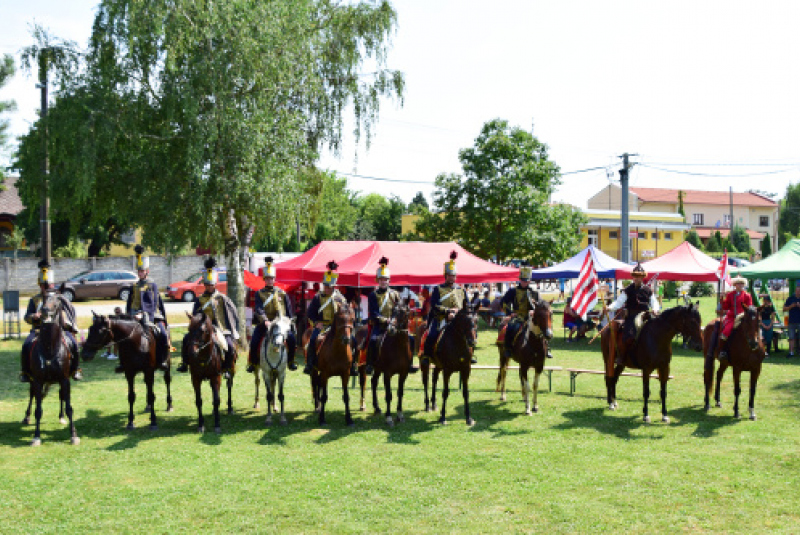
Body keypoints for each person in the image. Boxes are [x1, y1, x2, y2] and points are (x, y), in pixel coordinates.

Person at [177, 258, 241, 377]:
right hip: (203, 328)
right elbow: (195, 315)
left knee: (230, 346)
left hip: (219, 328)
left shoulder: (222, 298)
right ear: (204, 285)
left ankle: (227, 369)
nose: (209, 287)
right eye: (207, 284)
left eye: (211, 284)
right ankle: (185, 363)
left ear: (215, 284)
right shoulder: (200, 299)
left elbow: (231, 313)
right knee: (186, 339)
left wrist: (231, 329)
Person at [20, 261, 82, 382]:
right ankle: (25, 372)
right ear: (40, 285)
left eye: (48, 285)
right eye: (44, 285)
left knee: (74, 344)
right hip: (38, 331)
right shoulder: (34, 300)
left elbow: (68, 313)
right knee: (26, 345)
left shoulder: (59, 299)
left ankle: (76, 370)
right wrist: (34, 316)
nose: (46, 287)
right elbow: (27, 317)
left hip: (58, 331)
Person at [366, 257, 417, 375]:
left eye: (385, 279)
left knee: (411, 338)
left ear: (389, 281)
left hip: (395, 325)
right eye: (381, 279)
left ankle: (409, 363)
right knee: (373, 341)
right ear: (378, 281)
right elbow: (373, 313)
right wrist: (385, 320)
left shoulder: (395, 294)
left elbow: (400, 309)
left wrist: (397, 319)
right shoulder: (373, 295)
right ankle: (370, 364)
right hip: (380, 325)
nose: (383, 281)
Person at [423, 251, 476, 364]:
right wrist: (448, 311)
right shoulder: (438, 289)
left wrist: (464, 312)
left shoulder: (461, 290)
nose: (452, 278)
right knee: (431, 335)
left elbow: (467, 304)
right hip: (441, 318)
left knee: (471, 332)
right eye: (449, 276)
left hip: (459, 319)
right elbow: (435, 305)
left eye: (453, 276)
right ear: (445, 276)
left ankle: (471, 355)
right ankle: (427, 356)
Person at [123, 245, 170, 373]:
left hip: (151, 315)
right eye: (138, 271)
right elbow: (130, 303)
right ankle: (125, 362)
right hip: (134, 315)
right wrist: (129, 315)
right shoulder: (134, 286)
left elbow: (153, 303)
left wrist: (143, 314)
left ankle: (163, 359)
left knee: (163, 335)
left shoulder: (152, 285)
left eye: (142, 271)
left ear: (147, 271)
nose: (140, 273)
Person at [247, 256, 297, 373]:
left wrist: (289, 322)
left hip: (280, 324)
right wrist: (265, 320)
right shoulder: (259, 294)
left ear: (274, 279)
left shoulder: (282, 293)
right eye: (268, 278)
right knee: (254, 341)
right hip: (265, 323)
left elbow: (288, 309)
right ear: (265, 279)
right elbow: (259, 308)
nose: (270, 280)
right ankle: (253, 363)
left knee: (292, 339)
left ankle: (290, 362)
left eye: (272, 278)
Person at [603, 263, 660, 364]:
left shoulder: (647, 290)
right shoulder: (627, 290)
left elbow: (654, 302)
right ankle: (623, 356)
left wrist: (655, 309)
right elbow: (618, 302)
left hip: (646, 317)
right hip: (631, 317)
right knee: (629, 336)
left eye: (639, 276)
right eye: (635, 276)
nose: (637, 278)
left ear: (643, 277)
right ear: (633, 277)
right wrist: (609, 308)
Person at [303, 261, 354, 375]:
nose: (326, 289)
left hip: (338, 327)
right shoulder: (318, 297)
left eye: (329, 287)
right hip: (322, 325)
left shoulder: (341, 298)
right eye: (325, 286)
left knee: (353, 340)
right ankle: (310, 364)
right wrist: (316, 323)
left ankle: (352, 365)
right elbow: (310, 313)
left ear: (333, 286)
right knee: (312, 340)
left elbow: (346, 313)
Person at [501, 262, 552, 358]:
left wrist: (535, 312)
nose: (525, 282)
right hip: (518, 316)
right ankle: (508, 349)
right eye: (523, 281)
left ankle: (546, 349)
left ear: (529, 281)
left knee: (544, 328)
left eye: (527, 281)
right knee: (510, 327)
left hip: (532, 317)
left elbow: (540, 305)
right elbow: (503, 303)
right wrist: (510, 313)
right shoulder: (512, 291)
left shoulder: (535, 292)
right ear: (520, 280)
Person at [717, 276, 754, 361]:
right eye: (739, 283)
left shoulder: (747, 295)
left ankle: (757, 347)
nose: (741, 285)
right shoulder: (730, 295)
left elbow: (750, 307)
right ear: (735, 285)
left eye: (742, 283)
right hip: (732, 317)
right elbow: (726, 306)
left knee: (753, 328)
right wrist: (722, 299)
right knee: (727, 330)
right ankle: (723, 350)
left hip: (743, 317)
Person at [782, 285, 800, 358]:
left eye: (799, 291)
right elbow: (784, 309)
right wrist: (790, 306)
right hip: (791, 321)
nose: (798, 292)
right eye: (797, 290)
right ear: (795, 291)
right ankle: (791, 352)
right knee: (791, 337)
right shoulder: (790, 299)